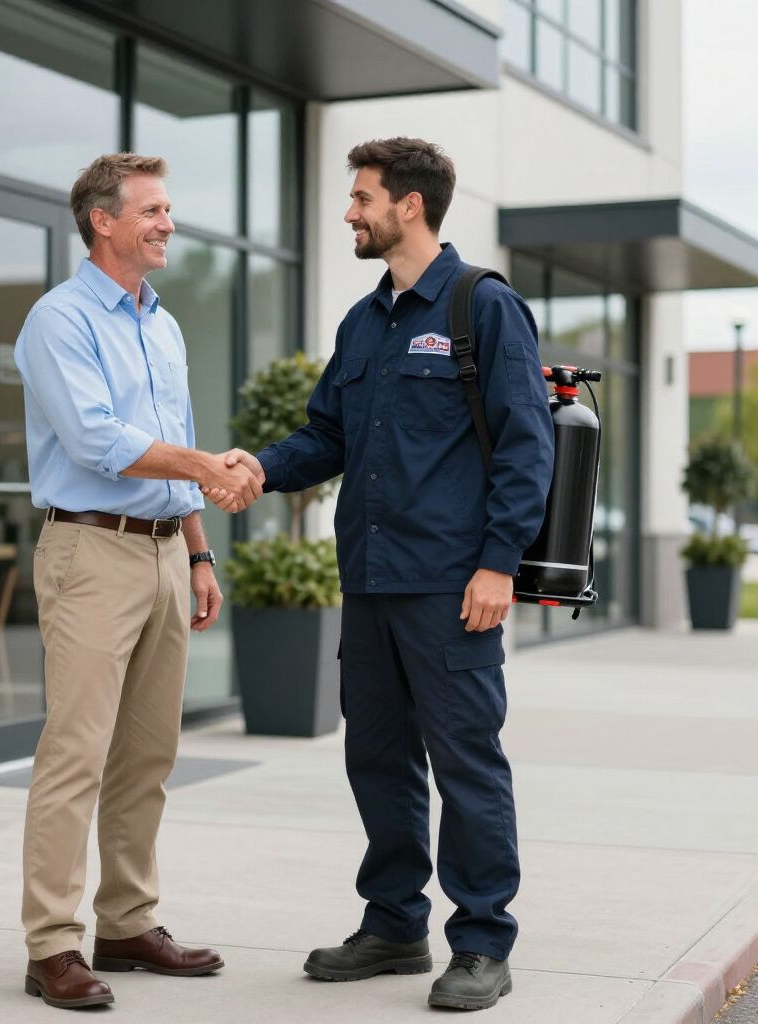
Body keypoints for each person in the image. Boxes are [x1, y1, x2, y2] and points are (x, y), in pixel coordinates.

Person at [214, 137, 554, 1011]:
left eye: (362, 197)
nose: (350, 212)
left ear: (409, 204)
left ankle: (480, 941)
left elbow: (527, 448)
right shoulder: (364, 322)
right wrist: (259, 467)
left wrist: (496, 567)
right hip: (367, 580)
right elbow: (327, 435)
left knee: (466, 762)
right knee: (378, 758)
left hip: (451, 586)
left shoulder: (484, 307)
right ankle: (395, 921)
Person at [14, 152, 262, 1011]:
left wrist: (198, 550)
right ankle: (52, 944)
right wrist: (207, 466)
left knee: (148, 756)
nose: (166, 224)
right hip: (90, 552)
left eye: (167, 210)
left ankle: (124, 922)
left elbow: (173, 439)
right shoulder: (59, 320)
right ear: (102, 222)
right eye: (152, 211)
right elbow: (97, 441)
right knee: (74, 755)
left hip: (161, 551)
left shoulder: (163, 323)